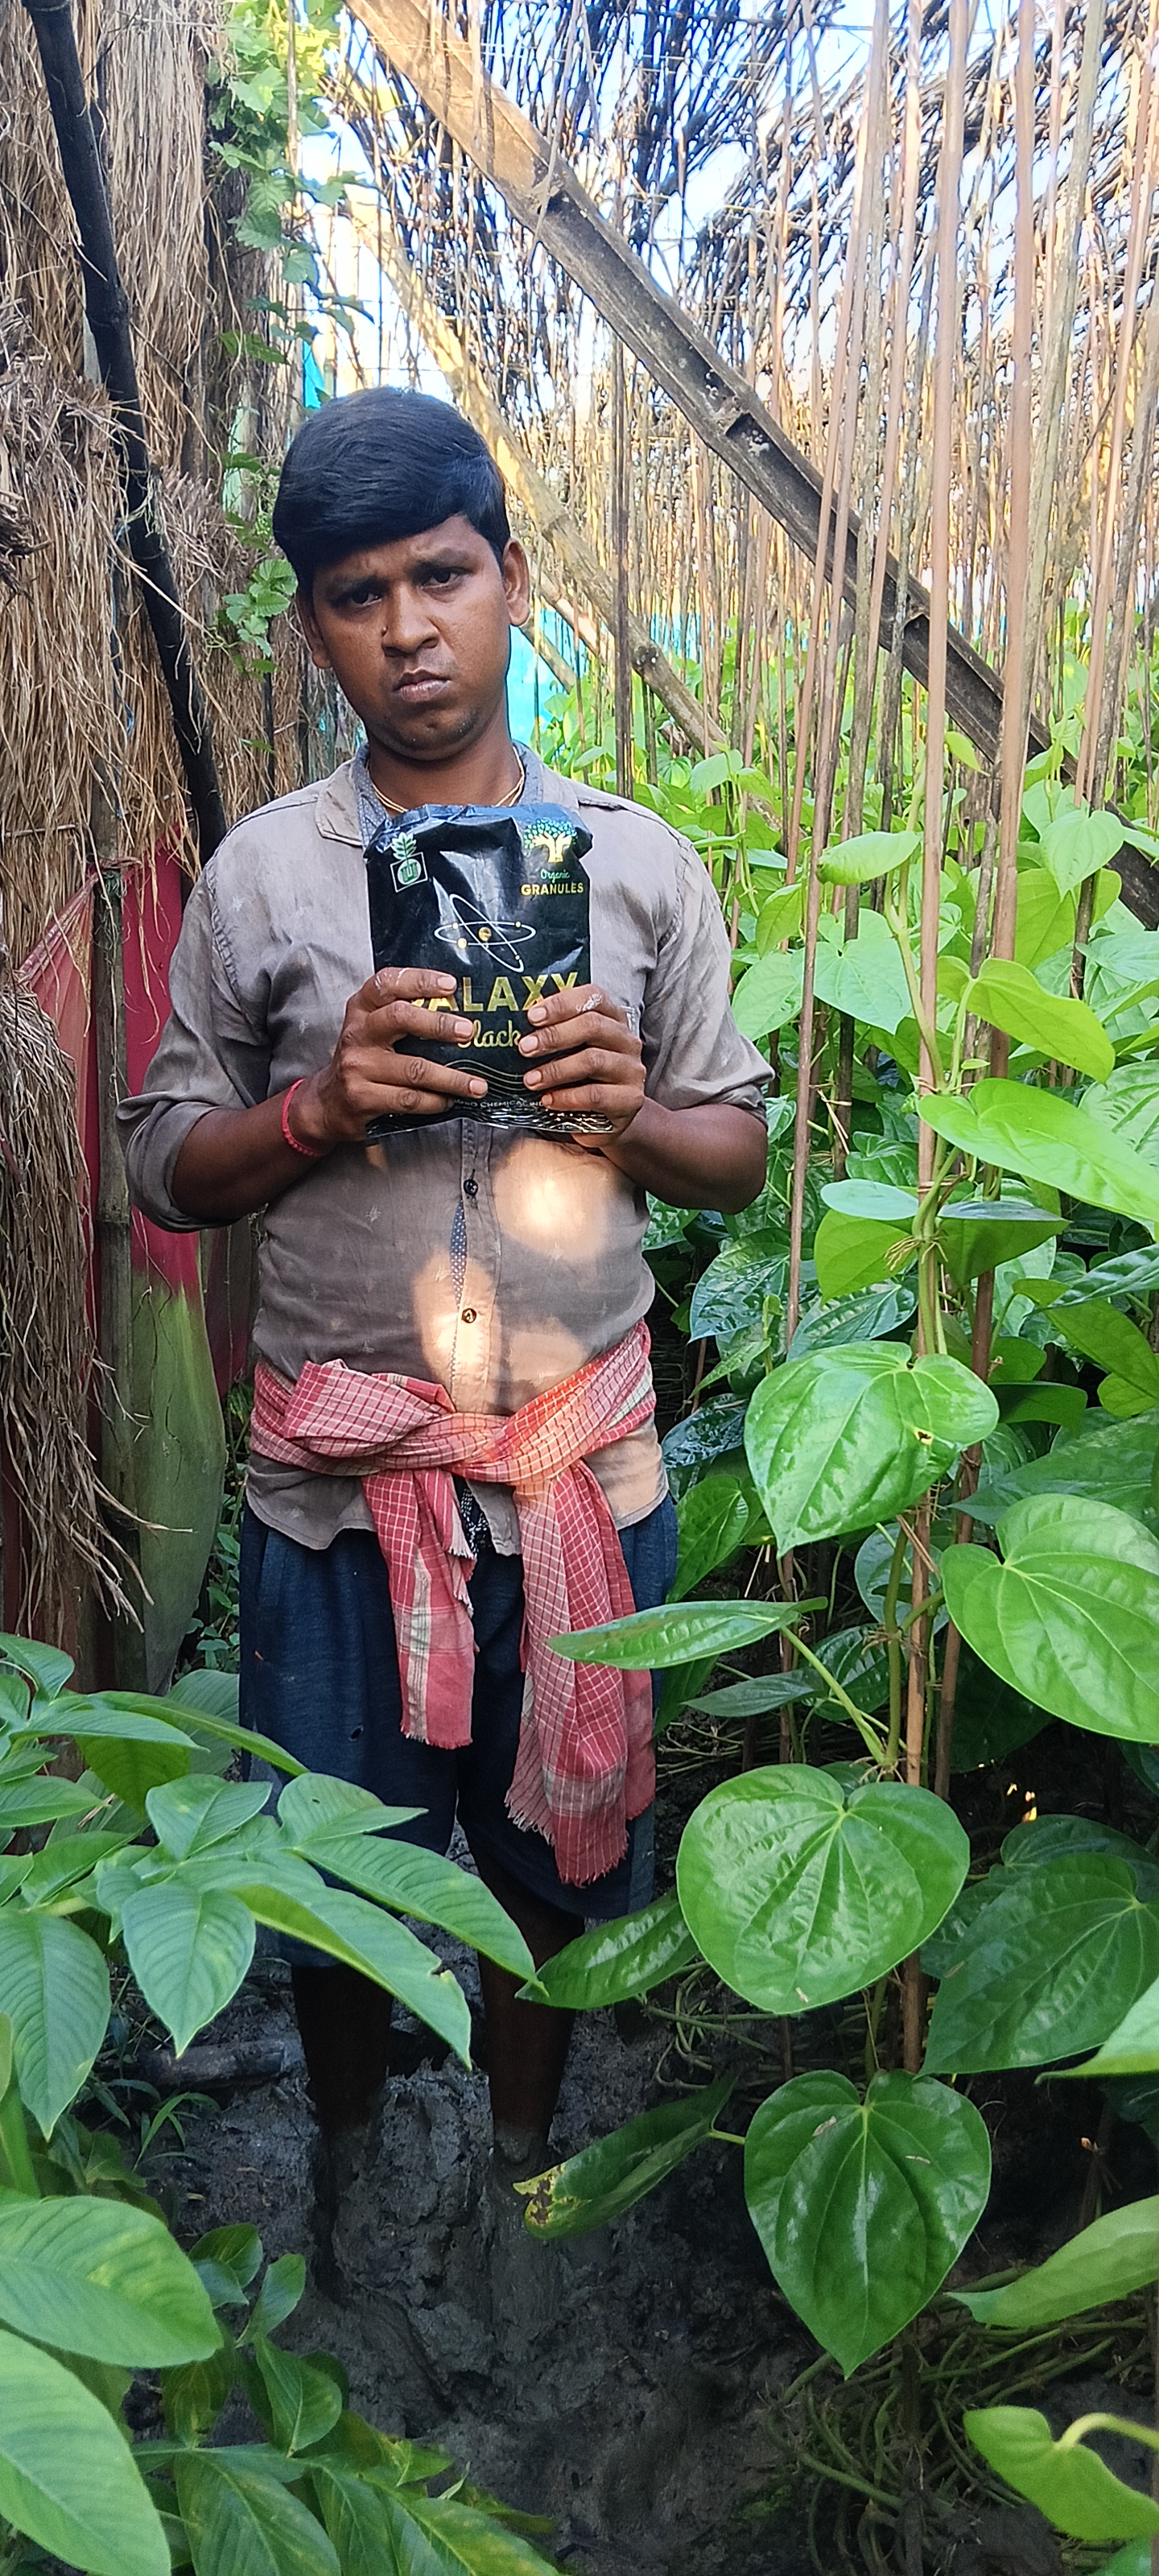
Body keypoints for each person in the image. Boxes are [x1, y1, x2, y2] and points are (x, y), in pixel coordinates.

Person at [119, 386, 769, 2281]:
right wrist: (317, 1108)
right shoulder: (261, 878)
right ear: (315, 626)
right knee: (334, 1866)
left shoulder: (636, 868)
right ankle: (344, 2171)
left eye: (443, 575)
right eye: (357, 595)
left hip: (580, 1475)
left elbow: (734, 1151)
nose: (409, 629)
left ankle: (521, 2165)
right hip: (341, 1492)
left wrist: (626, 1114)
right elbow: (164, 1163)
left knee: (564, 1855)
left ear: (512, 580)